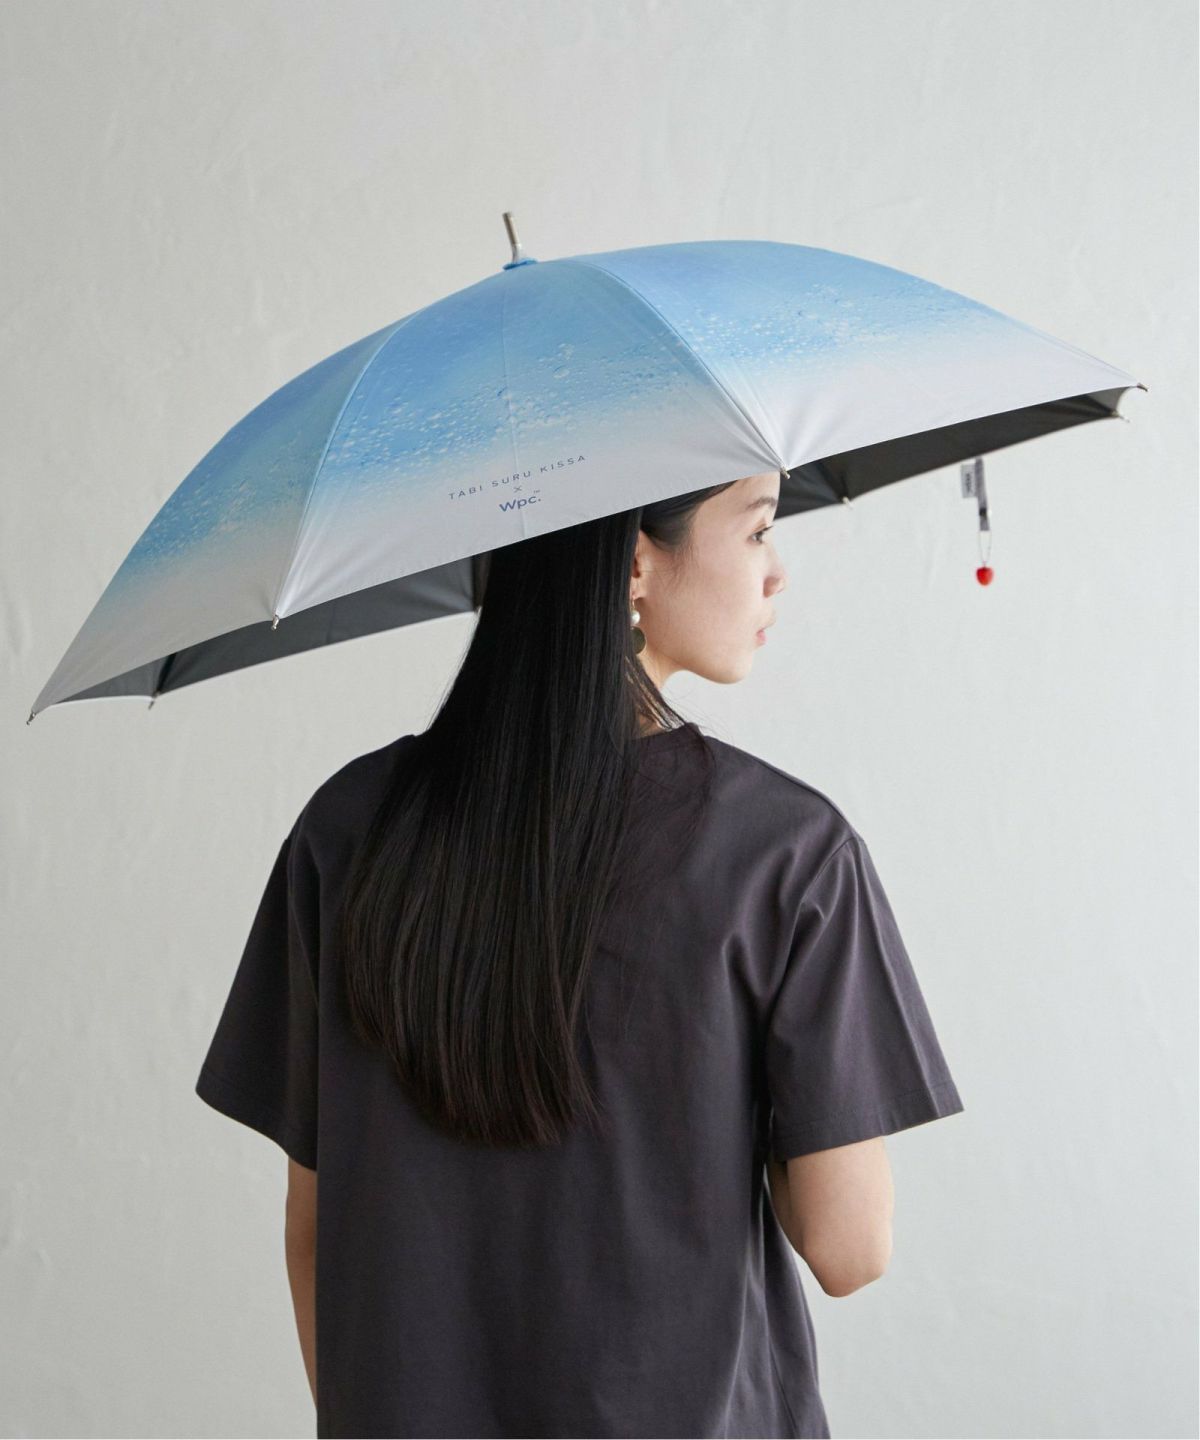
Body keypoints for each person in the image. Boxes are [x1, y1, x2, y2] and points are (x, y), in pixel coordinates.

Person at [195, 468, 965, 1439]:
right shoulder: (784, 854)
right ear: (636, 564)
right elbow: (849, 1249)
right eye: (758, 530)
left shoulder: (344, 830)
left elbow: (315, 1232)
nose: (776, 573)